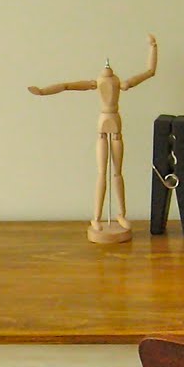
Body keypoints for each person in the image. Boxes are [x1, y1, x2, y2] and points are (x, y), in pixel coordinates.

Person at [29, 34, 158, 241]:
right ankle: (96, 217)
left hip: (115, 124)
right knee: (101, 173)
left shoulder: (118, 84)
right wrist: (43, 91)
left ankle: (121, 214)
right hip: (103, 124)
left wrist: (153, 47)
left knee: (117, 172)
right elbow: (67, 86)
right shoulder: (97, 83)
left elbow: (149, 72)